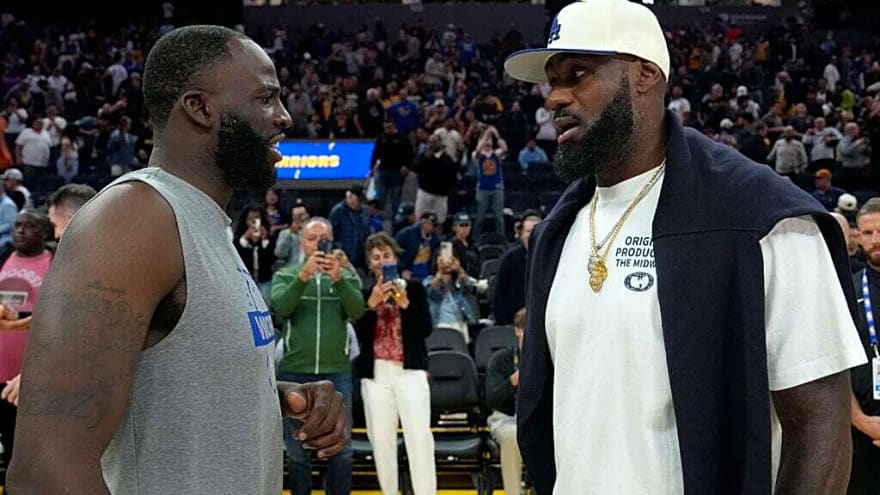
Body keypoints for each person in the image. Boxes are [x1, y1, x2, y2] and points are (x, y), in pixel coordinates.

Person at [503, 1, 865, 494]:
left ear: (645, 75)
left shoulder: (762, 218)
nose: (555, 98)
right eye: (552, 80)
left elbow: (821, 425)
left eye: (578, 74)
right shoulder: (557, 231)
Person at [6, 25, 348, 495]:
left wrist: (272, 400)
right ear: (200, 108)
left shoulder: (204, 224)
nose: (285, 117)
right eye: (266, 98)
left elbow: (176, 389)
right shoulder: (135, 216)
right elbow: (46, 472)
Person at [271, 217, 365, 495]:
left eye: (323, 238)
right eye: (312, 238)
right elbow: (281, 308)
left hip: (336, 371)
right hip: (294, 372)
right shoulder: (287, 274)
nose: (317, 244)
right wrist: (303, 277)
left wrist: (339, 279)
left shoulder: (345, 276)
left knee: (342, 449)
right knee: (298, 452)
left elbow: (358, 310)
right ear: (302, 243)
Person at [354, 232, 436, 495]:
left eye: (386, 255)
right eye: (375, 257)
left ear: (395, 258)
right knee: (380, 441)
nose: (381, 261)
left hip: (409, 371)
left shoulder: (414, 289)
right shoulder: (364, 293)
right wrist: (371, 304)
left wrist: (405, 303)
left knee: (419, 438)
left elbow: (425, 329)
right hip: (376, 373)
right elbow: (358, 336)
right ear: (369, 262)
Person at [0, 210, 53, 469]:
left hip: (29, 376)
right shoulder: (2, 256)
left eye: (29, 226)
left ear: (44, 232)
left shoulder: (55, 262)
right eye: (17, 225)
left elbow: (57, 317)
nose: (20, 231)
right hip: (0, 368)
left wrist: (14, 321)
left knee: (21, 451)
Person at [849, 198, 880, 494]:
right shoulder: (850, 290)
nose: (875, 240)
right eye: (867, 234)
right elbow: (836, 365)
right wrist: (860, 420)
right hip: (864, 431)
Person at [485, 307, 526, 495]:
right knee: (512, 435)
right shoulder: (501, 359)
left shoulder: (548, 357)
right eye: (526, 329)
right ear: (517, 330)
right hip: (505, 416)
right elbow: (491, 399)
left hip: (538, 417)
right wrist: (512, 381)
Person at [492, 213, 539, 326]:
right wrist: (503, 324)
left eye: (535, 232)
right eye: (528, 231)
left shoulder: (551, 258)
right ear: (521, 233)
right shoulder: (509, 258)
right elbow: (499, 293)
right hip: (512, 323)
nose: (531, 235)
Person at [423, 254, 478, 343]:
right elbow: (432, 293)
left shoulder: (458, 282)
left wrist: (460, 270)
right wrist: (440, 272)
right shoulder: (428, 280)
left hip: (460, 326)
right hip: (439, 326)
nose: (446, 262)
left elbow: (474, 286)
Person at [234, 204, 276, 305]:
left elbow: (271, 259)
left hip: (264, 279)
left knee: (265, 303)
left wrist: (264, 240)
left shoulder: (269, 238)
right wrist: (245, 238)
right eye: (250, 219)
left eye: (256, 218)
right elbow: (236, 255)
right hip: (245, 279)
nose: (253, 222)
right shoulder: (239, 238)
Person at [329, 185, 370, 270]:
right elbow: (331, 234)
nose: (359, 203)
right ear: (350, 196)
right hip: (345, 255)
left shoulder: (364, 211)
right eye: (358, 200)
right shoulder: (338, 211)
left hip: (361, 257)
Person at [396, 212, 440, 281]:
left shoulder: (436, 240)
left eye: (432, 224)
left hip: (427, 272)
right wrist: (402, 270)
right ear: (421, 223)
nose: (428, 226)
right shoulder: (405, 235)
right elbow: (396, 254)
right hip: (410, 269)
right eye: (426, 223)